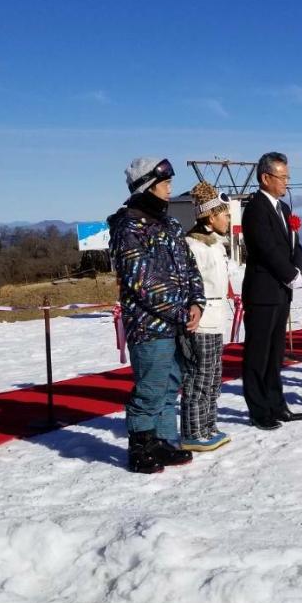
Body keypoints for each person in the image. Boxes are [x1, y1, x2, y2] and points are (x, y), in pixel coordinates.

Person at [109, 157, 203, 473]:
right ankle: (141, 446)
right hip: (150, 327)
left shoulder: (170, 224)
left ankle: (164, 441)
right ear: (148, 186)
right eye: (164, 183)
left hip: (177, 323)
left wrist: (196, 303)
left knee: (168, 386)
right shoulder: (129, 227)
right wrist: (178, 310)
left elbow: (190, 268)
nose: (170, 189)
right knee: (150, 387)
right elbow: (141, 281)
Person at [240, 151, 302, 431]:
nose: (286, 183)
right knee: (259, 352)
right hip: (263, 290)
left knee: (276, 351)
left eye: (288, 177)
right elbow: (265, 247)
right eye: (282, 177)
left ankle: (277, 403)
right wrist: (289, 273)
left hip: (281, 290)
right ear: (266, 178)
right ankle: (259, 409)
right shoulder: (256, 208)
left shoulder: (284, 209)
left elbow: (293, 244)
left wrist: (296, 267)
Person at [180, 182, 233, 453]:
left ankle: (208, 424)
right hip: (201, 318)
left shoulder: (217, 244)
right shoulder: (192, 245)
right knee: (199, 377)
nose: (228, 220)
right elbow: (189, 283)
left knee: (213, 377)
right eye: (225, 215)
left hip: (217, 316)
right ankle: (193, 430)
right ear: (211, 216)